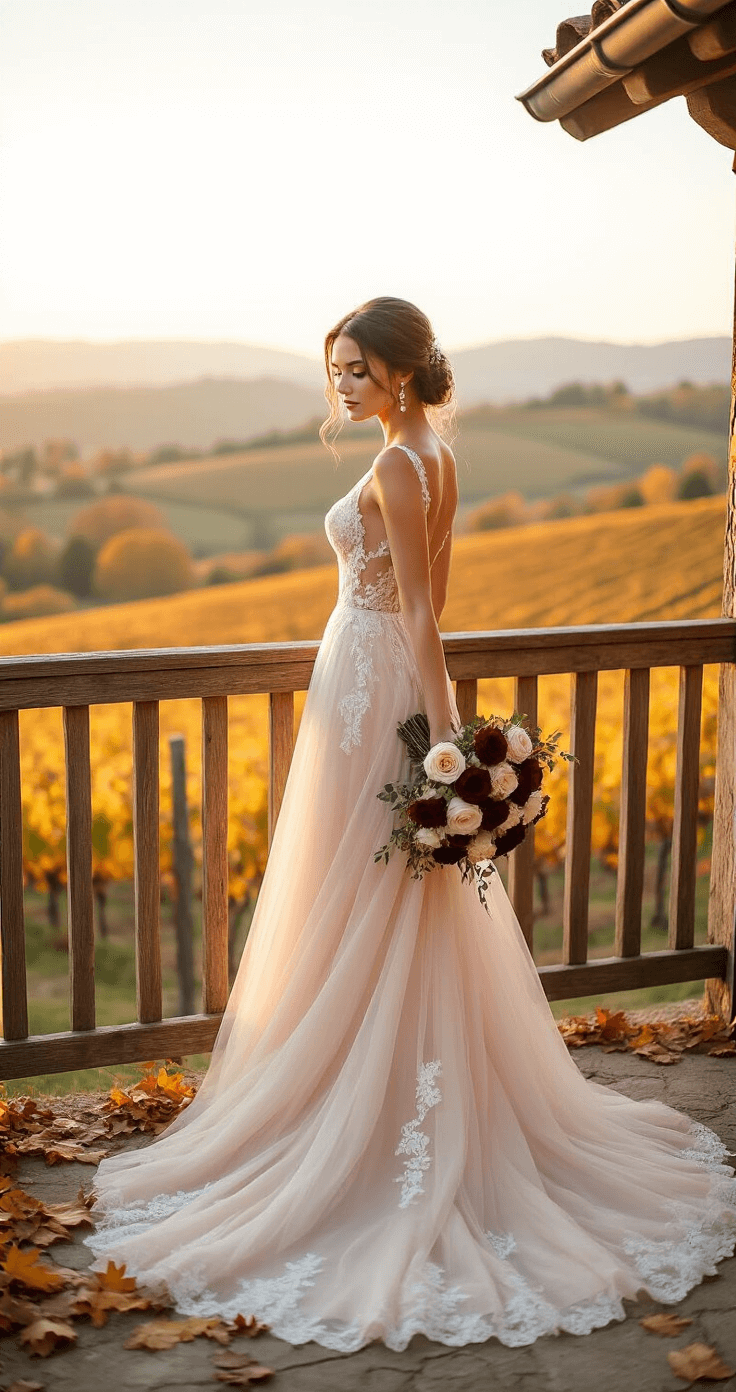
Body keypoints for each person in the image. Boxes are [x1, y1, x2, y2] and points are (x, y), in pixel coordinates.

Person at [85, 296, 736, 1352]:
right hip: (376, 679)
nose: (340, 385)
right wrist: (452, 746)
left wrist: (449, 751)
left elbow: (425, 610)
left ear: (397, 371)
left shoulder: (397, 464)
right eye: (333, 369)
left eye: (354, 369)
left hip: (372, 684)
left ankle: (359, 1113)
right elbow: (433, 603)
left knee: (358, 888)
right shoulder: (435, 451)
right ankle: (374, 1086)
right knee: (386, 893)